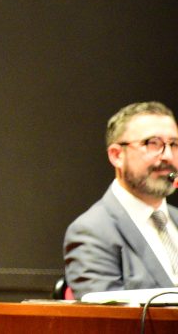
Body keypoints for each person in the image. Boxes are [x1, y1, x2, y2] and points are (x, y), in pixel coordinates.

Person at [63, 101, 178, 298]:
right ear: (116, 155)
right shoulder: (91, 231)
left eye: (174, 144)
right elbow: (105, 314)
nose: (167, 155)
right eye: (153, 143)